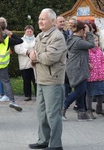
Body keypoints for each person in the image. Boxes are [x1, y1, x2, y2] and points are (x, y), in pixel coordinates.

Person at [28, 8, 67, 150]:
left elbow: (50, 58)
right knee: (42, 113)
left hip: (53, 80)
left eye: (43, 19)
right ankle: (43, 140)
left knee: (53, 114)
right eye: (39, 19)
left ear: (52, 21)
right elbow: (34, 53)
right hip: (41, 79)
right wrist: (33, 56)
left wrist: (35, 56)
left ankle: (56, 145)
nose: (40, 21)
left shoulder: (57, 36)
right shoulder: (40, 36)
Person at [0, 17, 23, 111]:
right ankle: (12, 101)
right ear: (5, 26)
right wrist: (10, 33)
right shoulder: (7, 39)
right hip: (2, 64)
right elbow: (20, 40)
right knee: (6, 83)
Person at [62, 22, 95, 121]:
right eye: (84, 31)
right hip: (77, 69)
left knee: (81, 90)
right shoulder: (77, 41)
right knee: (80, 90)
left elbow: (81, 54)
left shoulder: (74, 40)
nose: (85, 33)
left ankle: (81, 113)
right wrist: (89, 33)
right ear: (81, 30)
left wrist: (86, 63)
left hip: (77, 67)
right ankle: (63, 106)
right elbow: (91, 44)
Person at [14, 25, 36, 101]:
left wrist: (33, 53)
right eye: (28, 31)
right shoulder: (20, 40)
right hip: (24, 63)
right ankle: (27, 95)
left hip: (34, 63)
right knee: (26, 81)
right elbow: (17, 49)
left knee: (35, 80)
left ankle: (38, 95)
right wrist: (27, 52)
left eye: (30, 31)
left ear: (33, 32)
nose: (29, 33)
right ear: (25, 32)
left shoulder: (37, 40)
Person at [86, 34, 104, 119]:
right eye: (93, 41)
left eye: (96, 41)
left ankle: (99, 108)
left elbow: (102, 62)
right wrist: (88, 65)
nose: (95, 42)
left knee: (101, 93)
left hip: (100, 75)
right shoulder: (87, 52)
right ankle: (89, 110)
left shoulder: (100, 51)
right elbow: (85, 62)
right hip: (91, 76)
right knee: (90, 94)